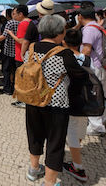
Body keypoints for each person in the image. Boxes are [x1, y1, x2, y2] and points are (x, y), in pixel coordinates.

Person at [23, 15, 87, 186]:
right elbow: (80, 76)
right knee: (55, 142)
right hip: (56, 104)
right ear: (59, 33)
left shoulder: (31, 49)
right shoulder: (64, 53)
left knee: (34, 135)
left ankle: (34, 169)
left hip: (32, 100)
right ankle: (50, 183)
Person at [62, 28, 90, 182]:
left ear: (64, 41)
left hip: (69, 100)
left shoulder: (64, 58)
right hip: (85, 100)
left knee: (71, 131)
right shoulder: (87, 59)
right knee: (79, 129)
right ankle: (76, 152)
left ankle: (78, 167)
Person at [77, 7, 106, 136]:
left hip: (95, 66)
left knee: (93, 94)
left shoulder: (89, 30)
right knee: (102, 94)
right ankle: (100, 121)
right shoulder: (98, 27)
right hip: (102, 65)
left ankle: (96, 127)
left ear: (80, 16)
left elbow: (87, 50)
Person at [7, 5, 39, 107]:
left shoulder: (23, 24)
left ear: (21, 14)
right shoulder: (30, 22)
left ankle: (23, 100)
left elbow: (22, 41)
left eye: (15, 13)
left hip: (21, 55)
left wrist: (11, 34)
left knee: (22, 79)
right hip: (29, 54)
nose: (13, 16)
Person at [0, 9, 19, 94]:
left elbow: (4, 36)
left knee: (6, 70)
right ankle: (14, 87)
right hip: (17, 51)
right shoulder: (21, 23)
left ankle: (7, 88)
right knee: (14, 70)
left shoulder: (10, 23)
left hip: (8, 50)